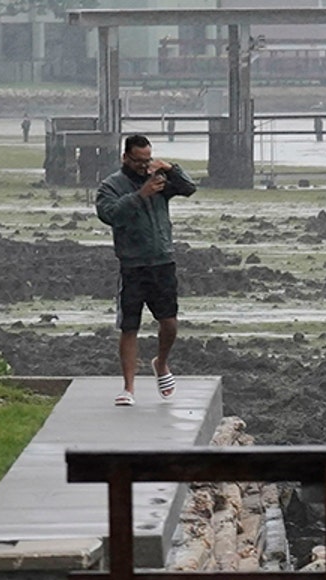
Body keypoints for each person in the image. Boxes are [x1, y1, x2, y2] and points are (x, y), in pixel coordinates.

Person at [95, 134, 196, 406]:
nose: (144, 165)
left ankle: (161, 363)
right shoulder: (111, 185)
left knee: (170, 323)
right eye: (139, 160)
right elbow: (110, 214)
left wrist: (170, 168)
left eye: (148, 159)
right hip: (132, 264)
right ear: (125, 157)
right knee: (130, 326)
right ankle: (128, 388)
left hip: (163, 260)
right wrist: (141, 195)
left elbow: (189, 188)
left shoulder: (161, 178)